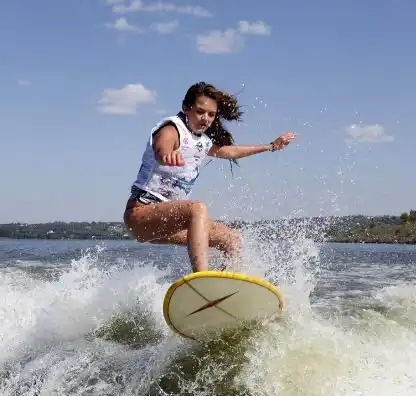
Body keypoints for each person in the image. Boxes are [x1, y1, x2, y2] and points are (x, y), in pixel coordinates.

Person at [123, 81, 296, 273]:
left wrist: (270, 146)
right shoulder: (171, 129)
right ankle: (201, 277)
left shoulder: (203, 142)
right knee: (197, 208)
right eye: (200, 112)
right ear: (186, 108)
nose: (205, 119)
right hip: (141, 215)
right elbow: (161, 147)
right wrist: (166, 155)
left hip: (171, 223)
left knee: (232, 239)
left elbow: (231, 152)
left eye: (211, 115)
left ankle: (224, 285)